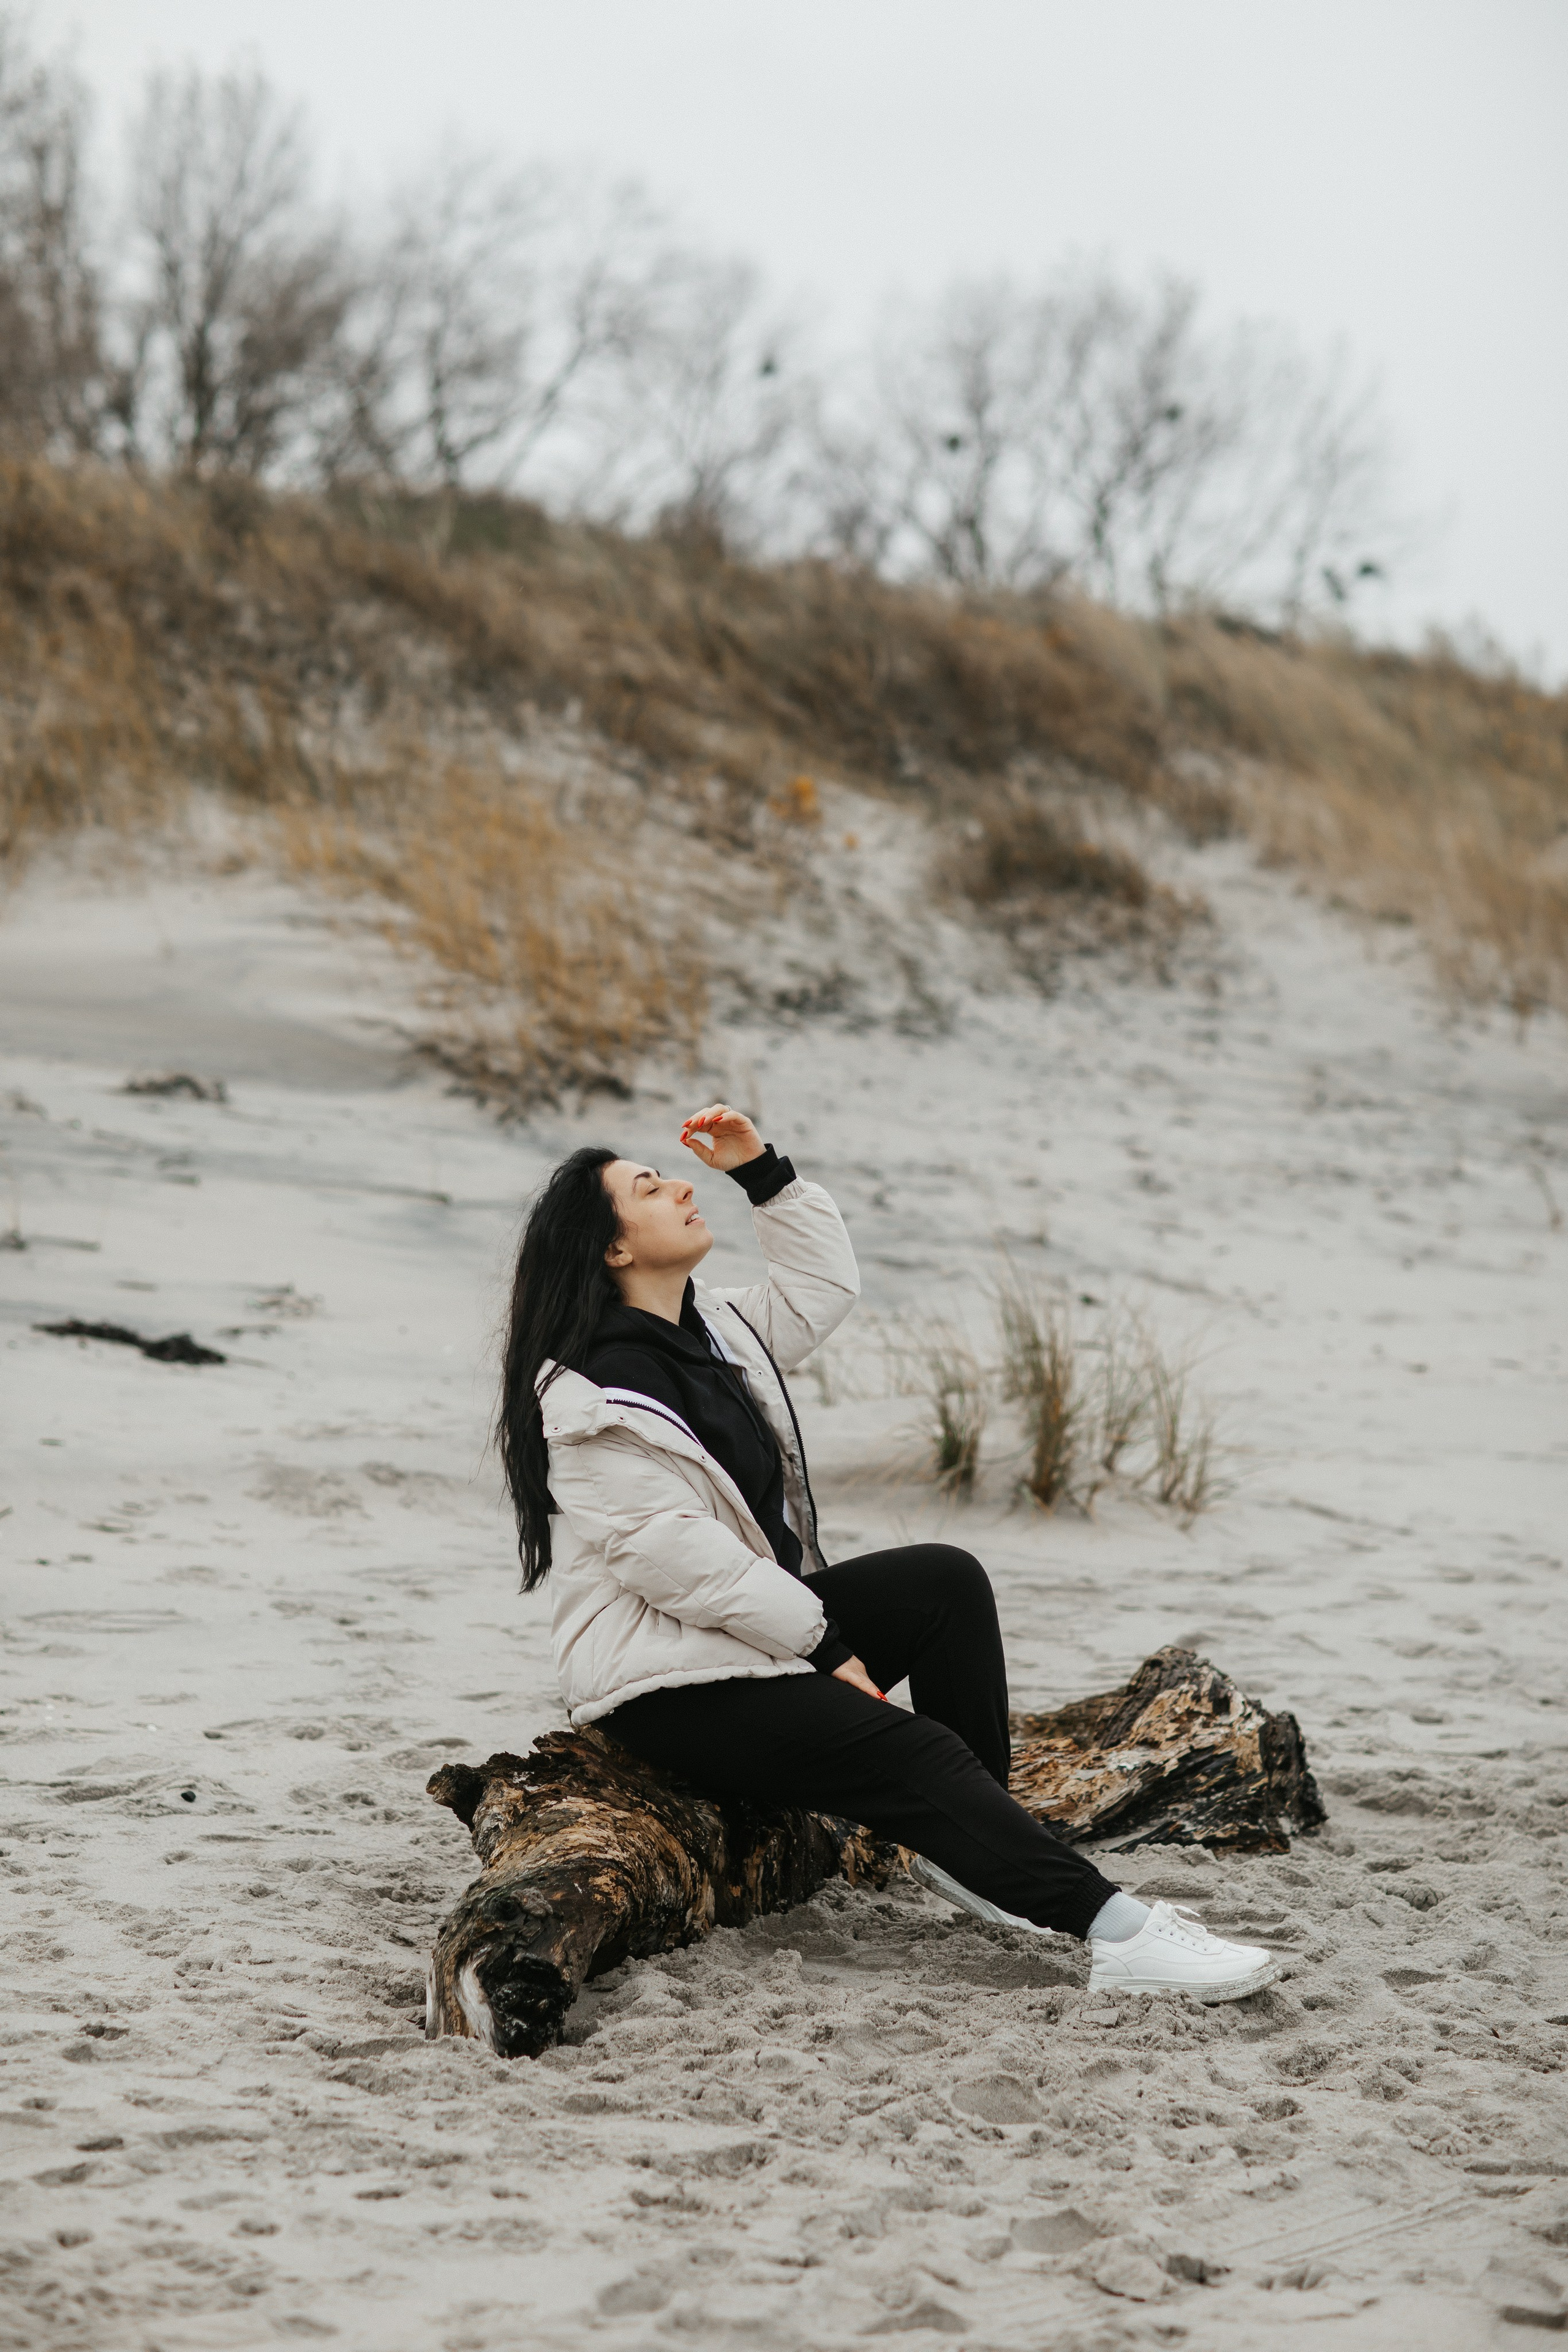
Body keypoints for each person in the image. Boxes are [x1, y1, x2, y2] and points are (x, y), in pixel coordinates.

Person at [497, 1104, 1275, 2002]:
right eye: (647, 1187)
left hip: (743, 1633)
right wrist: (825, 1647)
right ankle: (1123, 1934)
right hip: (668, 1687)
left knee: (945, 1582)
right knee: (917, 1754)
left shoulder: (716, 1333)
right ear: (613, 1251)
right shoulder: (593, 1402)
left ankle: (974, 1858)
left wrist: (765, 1176)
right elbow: (675, 1562)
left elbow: (819, 1293)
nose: (679, 1185)